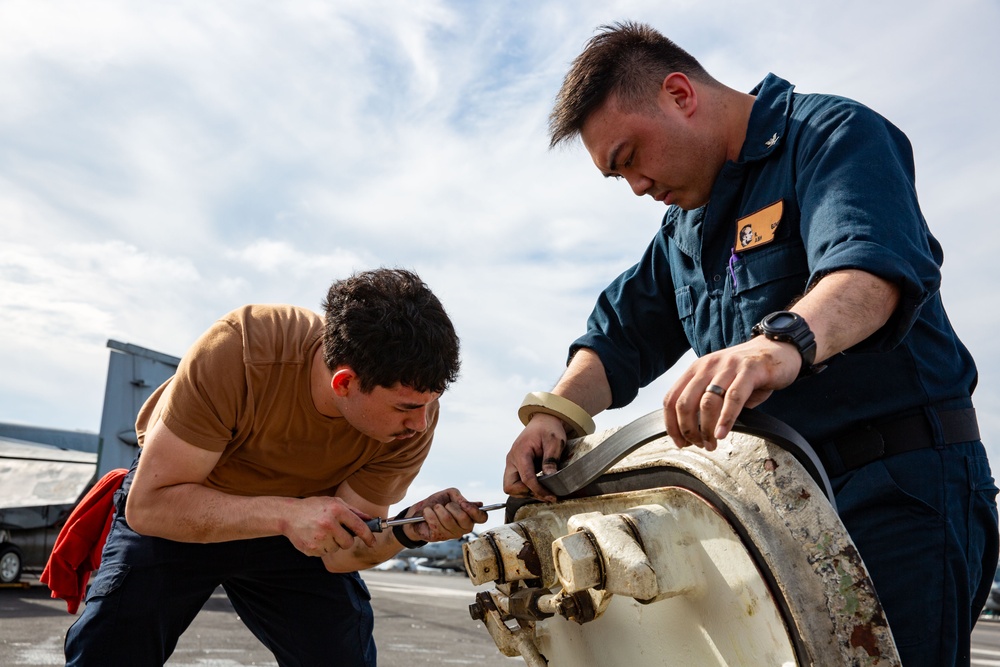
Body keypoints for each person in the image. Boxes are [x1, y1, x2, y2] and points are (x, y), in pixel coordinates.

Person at [503, 21, 998, 667]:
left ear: (679, 93)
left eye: (630, 157)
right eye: (615, 176)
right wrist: (556, 412)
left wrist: (777, 342)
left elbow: (870, 269)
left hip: (894, 486)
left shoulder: (828, 137)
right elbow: (618, 333)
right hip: (775, 506)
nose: (637, 187)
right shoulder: (684, 230)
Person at [65, 267, 488, 667]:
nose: (421, 423)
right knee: (109, 647)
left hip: (299, 525)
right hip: (186, 505)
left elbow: (342, 556)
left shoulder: (410, 423)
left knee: (341, 655)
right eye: (406, 408)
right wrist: (285, 515)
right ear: (344, 383)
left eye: (431, 403)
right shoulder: (240, 349)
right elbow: (150, 507)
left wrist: (408, 530)